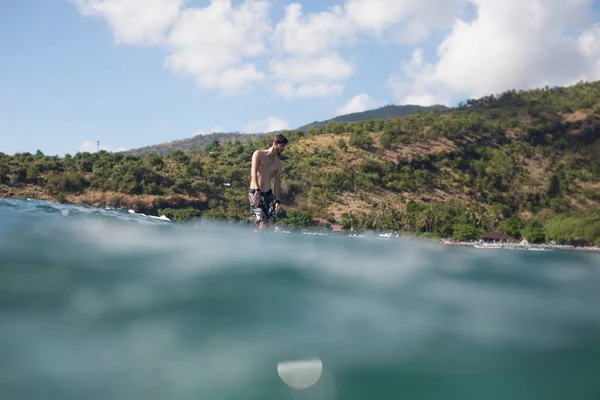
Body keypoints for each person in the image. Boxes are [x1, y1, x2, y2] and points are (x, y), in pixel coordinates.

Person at [248, 133, 288, 231]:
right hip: (255, 193)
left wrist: (277, 200)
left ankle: (266, 245)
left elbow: (277, 182)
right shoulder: (258, 154)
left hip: (268, 194)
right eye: (282, 146)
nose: (283, 149)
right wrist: (257, 189)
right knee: (262, 224)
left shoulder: (278, 163)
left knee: (271, 225)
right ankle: (253, 243)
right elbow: (253, 173)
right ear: (275, 143)